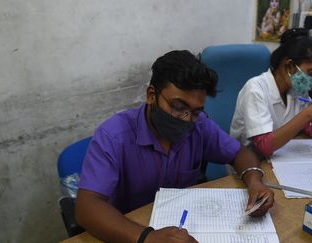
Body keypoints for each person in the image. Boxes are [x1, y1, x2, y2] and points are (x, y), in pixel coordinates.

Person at [76, 50, 274, 243]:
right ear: (151, 95)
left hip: (184, 226)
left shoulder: (199, 126)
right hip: (128, 229)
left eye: (196, 111)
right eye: (178, 107)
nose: (187, 118)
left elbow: (239, 152)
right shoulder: (113, 136)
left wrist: (255, 180)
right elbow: (87, 207)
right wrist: (146, 237)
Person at [230, 28, 312, 158]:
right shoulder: (255, 89)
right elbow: (264, 147)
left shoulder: (298, 90)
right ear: (289, 65)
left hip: (279, 157)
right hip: (249, 162)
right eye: (311, 71)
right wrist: (309, 113)